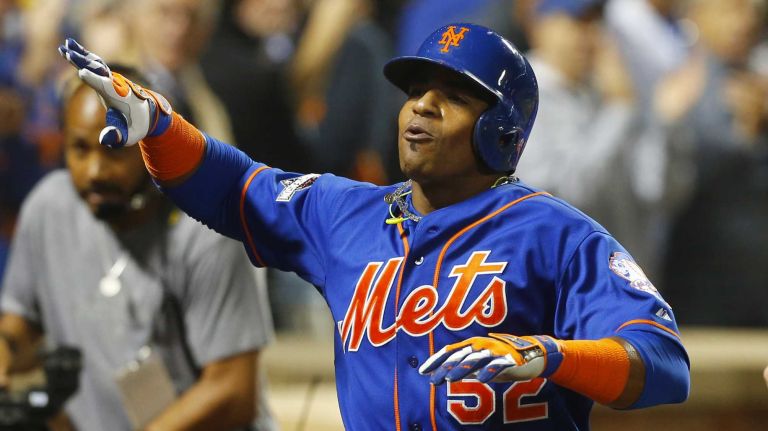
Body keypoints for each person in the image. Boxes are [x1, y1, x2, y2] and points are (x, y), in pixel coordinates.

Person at [58, 23, 690, 430]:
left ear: (503, 130)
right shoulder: (344, 211)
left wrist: (551, 355)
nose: (422, 104)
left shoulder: (555, 233)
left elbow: (664, 363)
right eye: (416, 89)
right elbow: (236, 187)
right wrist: (161, 128)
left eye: (454, 93)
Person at [0, 66, 275, 431]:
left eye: (113, 149)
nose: (94, 170)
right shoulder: (49, 207)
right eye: (79, 149)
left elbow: (233, 394)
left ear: (152, 145)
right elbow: (21, 325)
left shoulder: (206, 229)